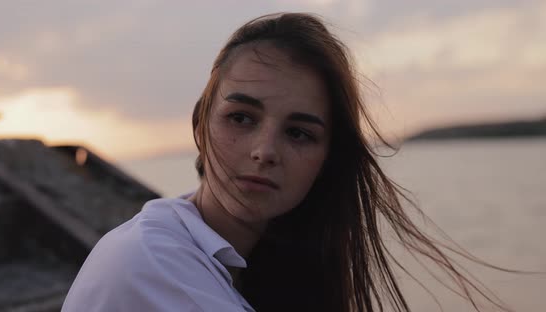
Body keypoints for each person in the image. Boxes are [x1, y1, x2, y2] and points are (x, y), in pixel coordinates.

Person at [62, 13, 511, 312]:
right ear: (200, 124)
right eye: (241, 117)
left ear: (326, 159)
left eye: (299, 133)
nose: (264, 151)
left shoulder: (234, 257)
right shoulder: (152, 263)